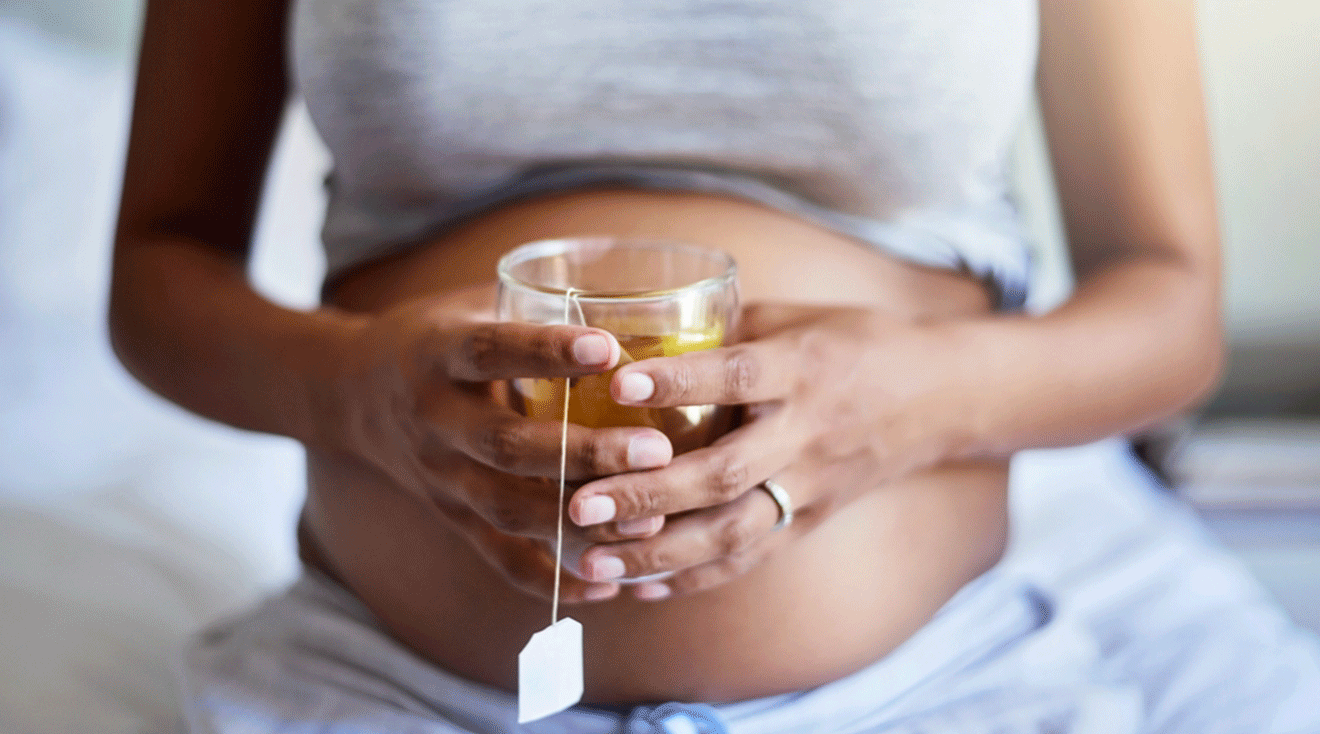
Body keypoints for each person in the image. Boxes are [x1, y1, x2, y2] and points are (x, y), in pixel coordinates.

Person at [109, 0, 1320, 731]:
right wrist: (356, 393)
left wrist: (900, 404)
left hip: (941, 680)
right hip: (390, 684)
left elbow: (1168, 305)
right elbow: (159, 272)